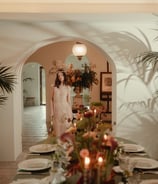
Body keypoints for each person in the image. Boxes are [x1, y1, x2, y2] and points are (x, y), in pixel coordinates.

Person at [51, 69, 73, 138]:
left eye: (61, 75)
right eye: (58, 76)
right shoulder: (54, 87)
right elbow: (51, 99)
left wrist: (70, 112)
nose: (60, 77)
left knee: (65, 126)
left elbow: (69, 101)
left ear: (64, 76)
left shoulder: (68, 87)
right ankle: (58, 143)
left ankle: (65, 144)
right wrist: (51, 112)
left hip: (65, 109)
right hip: (57, 109)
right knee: (57, 128)